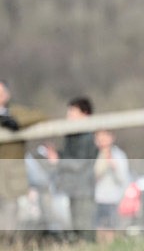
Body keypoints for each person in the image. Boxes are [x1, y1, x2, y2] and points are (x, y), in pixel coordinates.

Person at [0, 80, 48, 242]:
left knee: (10, 211)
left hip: (11, 174)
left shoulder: (16, 112)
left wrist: (15, 122)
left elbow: (40, 115)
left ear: (7, 95)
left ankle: (6, 244)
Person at [46, 96, 98, 242]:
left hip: (83, 188)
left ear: (85, 113)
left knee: (84, 229)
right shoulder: (73, 135)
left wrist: (58, 161)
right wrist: (56, 154)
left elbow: (79, 163)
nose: (68, 116)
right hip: (73, 187)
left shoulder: (87, 136)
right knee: (76, 229)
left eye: (72, 112)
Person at [94, 129, 130, 242]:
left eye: (104, 137)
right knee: (98, 229)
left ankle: (111, 246)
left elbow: (123, 178)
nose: (101, 140)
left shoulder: (118, 155)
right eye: (99, 137)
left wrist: (113, 165)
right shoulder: (94, 155)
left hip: (113, 199)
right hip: (96, 198)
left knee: (110, 228)